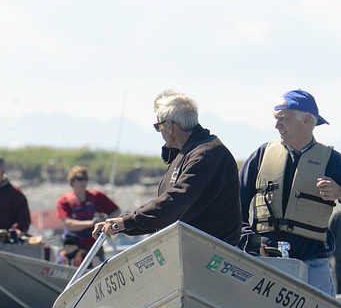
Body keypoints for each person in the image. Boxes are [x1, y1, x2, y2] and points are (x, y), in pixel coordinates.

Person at [238, 89, 341, 296]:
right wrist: (248, 239)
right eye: (276, 119)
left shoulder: (333, 161)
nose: (277, 126)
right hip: (264, 259)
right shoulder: (261, 156)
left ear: (308, 119)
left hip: (312, 264)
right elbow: (234, 204)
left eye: (283, 119)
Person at [93, 91, 241, 246]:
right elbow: (165, 213)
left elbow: (175, 202)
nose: (160, 132)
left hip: (210, 254)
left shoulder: (206, 154)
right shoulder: (188, 153)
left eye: (158, 126)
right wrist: (123, 224)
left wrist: (125, 222)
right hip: (191, 249)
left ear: (169, 126)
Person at [56, 166, 120, 255]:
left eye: (85, 179)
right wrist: (92, 223)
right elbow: (69, 224)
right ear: (72, 180)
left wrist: (105, 223)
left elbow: (116, 211)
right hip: (73, 247)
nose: (83, 182)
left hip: (94, 245)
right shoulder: (64, 200)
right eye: (80, 179)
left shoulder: (97, 196)